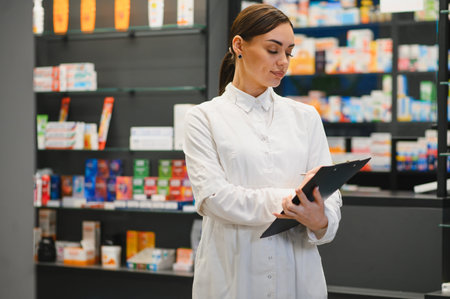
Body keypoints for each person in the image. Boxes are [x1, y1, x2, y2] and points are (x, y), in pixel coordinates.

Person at [183, 3, 342, 299]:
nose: (283, 61)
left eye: (289, 52)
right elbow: (214, 197)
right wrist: (294, 202)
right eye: (273, 50)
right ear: (239, 45)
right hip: (232, 274)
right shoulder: (203, 118)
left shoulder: (305, 117)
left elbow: (329, 197)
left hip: (299, 274)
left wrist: (320, 219)